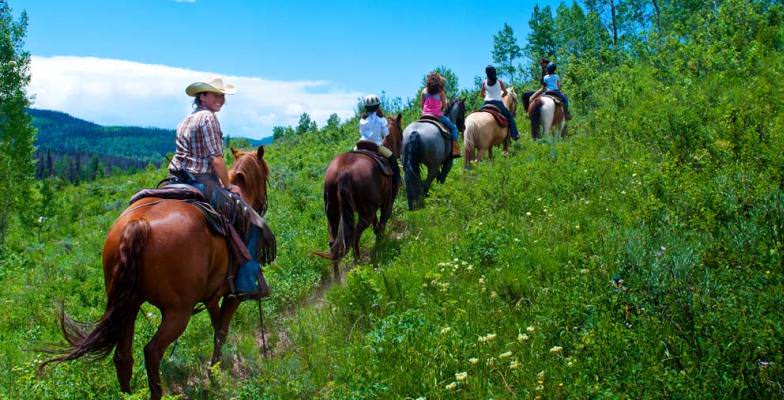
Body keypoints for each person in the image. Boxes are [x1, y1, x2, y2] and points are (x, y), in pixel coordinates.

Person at [168, 77, 268, 299]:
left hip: (176, 180)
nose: (222, 100)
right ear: (202, 96)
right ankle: (245, 283)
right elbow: (216, 159)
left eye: (223, 96)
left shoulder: (184, 121)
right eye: (216, 95)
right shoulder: (208, 118)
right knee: (254, 224)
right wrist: (228, 185)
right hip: (201, 182)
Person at [358, 94, 401, 184]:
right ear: (378, 106)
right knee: (392, 158)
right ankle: (397, 181)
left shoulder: (362, 120)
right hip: (376, 146)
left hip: (360, 145)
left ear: (366, 107)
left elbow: (361, 132)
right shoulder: (381, 120)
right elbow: (385, 134)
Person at [420, 72, 460, 158]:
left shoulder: (424, 91)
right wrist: (442, 105)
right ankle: (455, 149)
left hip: (424, 115)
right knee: (453, 127)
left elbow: (422, 106)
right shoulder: (440, 92)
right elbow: (445, 106)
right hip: (437, 115)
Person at [480, 65, 520, 140]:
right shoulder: (499, 82)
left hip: (486, 103)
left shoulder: (484, 82)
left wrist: (487, 96)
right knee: (510, 117)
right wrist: (500, 95)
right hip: (497, 103)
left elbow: (481, 94)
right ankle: (515, 134)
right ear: (494, 72)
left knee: (478, 113)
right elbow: (505, 93)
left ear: (486, 73)